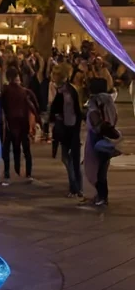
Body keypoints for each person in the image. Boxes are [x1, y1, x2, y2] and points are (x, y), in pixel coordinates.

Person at [50, 66, 83, 199]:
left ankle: (75, 187)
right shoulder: (64, 90)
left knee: (71, 159)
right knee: (69, 159)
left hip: (70, 129)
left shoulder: (68, 92)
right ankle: (76, 187)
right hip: (68, 128)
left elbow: (74, 112)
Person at [1, 67, 38, 183]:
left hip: (10, 124)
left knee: (8, 149)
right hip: (23, 124)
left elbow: (2, 106)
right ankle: (28, 173)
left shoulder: (5, 91)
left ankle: (7, 172)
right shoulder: (25, 91)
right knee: (25, 149)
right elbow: (34, 106)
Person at [85, 92, 120, 208]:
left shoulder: (96, 110)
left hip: (99, 142)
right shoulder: (108, 107)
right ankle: (100, 196)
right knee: (101, 171)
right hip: (103, 142)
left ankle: (102, 197)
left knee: (99, 172)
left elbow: (98, 125)